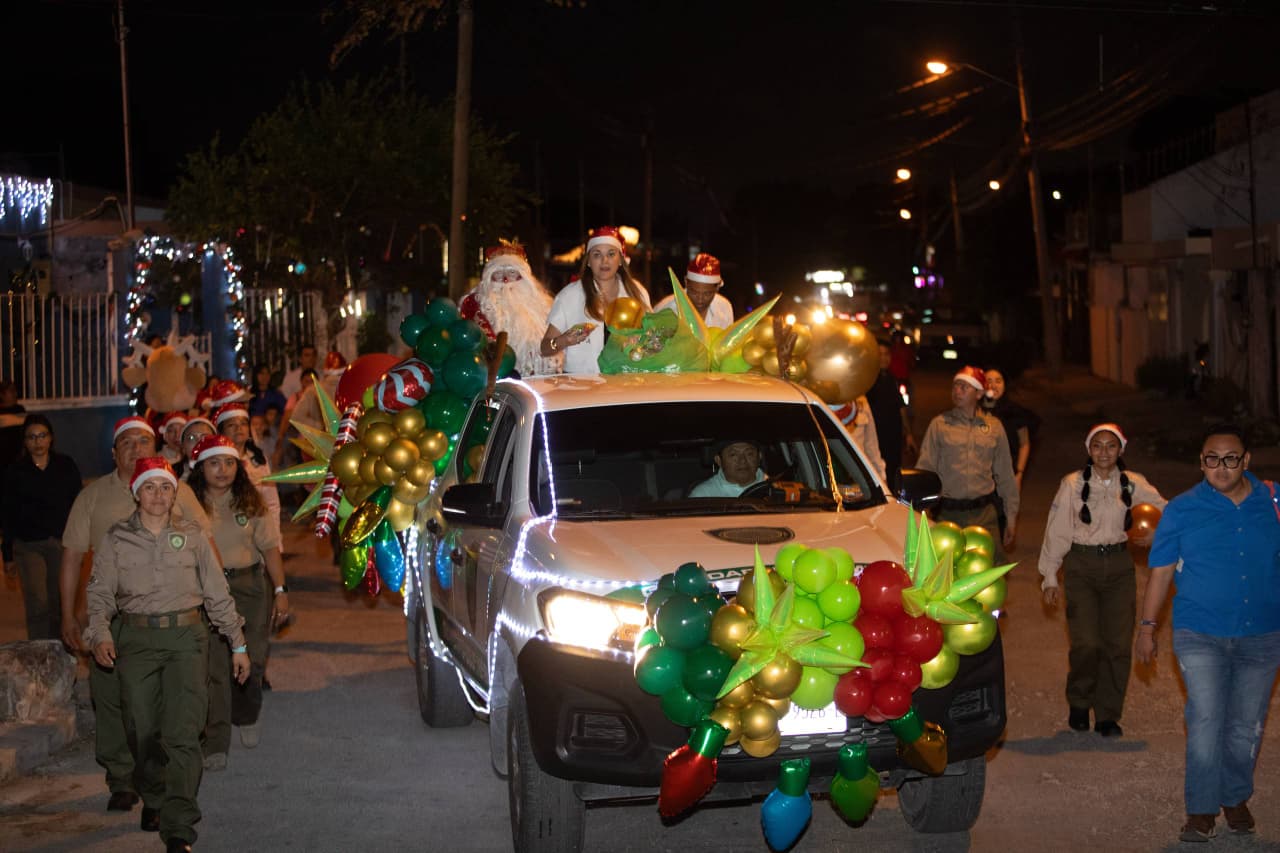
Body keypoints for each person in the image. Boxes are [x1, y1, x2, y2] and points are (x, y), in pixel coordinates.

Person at [84, 456, 247, 852]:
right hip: (135, 641)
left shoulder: (192, 535)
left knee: (184, 732)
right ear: (136, 492)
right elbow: (101, 592)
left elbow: (216, 594)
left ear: (175, 493)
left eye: (166, 487)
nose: (159, 495)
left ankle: (178, 824)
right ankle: (153, 794)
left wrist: (238, 643)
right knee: (142, 730)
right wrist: (100, 633)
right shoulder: (116, 538)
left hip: (187, 640)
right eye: (150, 487)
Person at [58, 415, 214, 813]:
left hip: (167, 615)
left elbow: (205, 548)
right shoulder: (92, 497)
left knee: (159, 704)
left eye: (143, 441)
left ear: (155, 448)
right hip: (109, 616)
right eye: (126, 443)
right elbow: (73, 558)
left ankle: (160, 782)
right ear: (114, 452)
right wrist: (68, 615)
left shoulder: (172, 492)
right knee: (110, 699)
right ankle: (121, 778)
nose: (135, 448)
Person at [1136, 423, 1280, 843]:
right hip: (1200, 632)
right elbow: (1161, 573)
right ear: (1202, 463)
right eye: (1212, 459)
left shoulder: (1272, 502)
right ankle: (1201, 810)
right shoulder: (1181, 510)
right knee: (1205, 719)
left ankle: (1234, 797)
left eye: (1230, 458)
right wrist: (1147, 627)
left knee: (1245, 725)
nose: (1221, 467)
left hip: (1263, 633)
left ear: (1245, 461)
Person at [1038, 424, 1166, 738]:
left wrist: (1155, 534)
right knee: (1086, 644)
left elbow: (1169, 510)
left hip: (1120, 566)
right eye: (1098, 446)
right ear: (1089, 450)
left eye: (1111, 446)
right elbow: (1057, 531)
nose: (1104, 452)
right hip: (1082, 565)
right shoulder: (1071, 484)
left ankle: (1108, 714)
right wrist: (1050, 576)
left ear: (1120, 450)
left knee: (1118, 645)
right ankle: (1080, 702)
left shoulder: (1134, 483)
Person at [187, 435, 288, 770]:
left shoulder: (250, 501)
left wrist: (280, 590)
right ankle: (216, 743)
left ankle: (246, 716)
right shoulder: (188, 504)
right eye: (215, 463)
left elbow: (270, 549)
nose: (223, 470)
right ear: (201, 467)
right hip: (209, 590)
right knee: (215, 666)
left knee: (252, 658)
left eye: (230, 462)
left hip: (250, 587)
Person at [916, 366, 1018, 562]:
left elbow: (1005, 475)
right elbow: (925, 470)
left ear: (979, 393)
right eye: (955, 386)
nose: (957, 391)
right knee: (945, 576)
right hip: (947, 514)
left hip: (985, 515)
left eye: (964, 387)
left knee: (988, 574)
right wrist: (924, 511)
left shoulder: (994, 427)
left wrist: (1011, 517)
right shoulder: (939, 424)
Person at [1, 415, 82, 639]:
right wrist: (7, 554)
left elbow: (78, 503)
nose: (37, 442)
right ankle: (38, 655)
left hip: (60, 543)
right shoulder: (15, 472)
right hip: (28, 545)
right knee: (38, 601)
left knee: (60, 601)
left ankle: (60, 653)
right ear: (24, 442)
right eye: (31, 437)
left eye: (42, 436)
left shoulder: (65, 466)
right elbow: (7, 512)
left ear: (51, 438)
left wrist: (82, 539)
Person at [541, 226, 651, 375]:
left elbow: (653, 336)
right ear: (588, 261)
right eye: (597, 255)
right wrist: (565, 340)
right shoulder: (570, 295)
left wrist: (641, 339)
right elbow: (545, 347)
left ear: (620, 260)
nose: (604, 261)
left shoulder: (637, 292)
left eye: (611, 254)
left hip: (627, 386)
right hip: (582, 387)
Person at [460, 241, 561, 376]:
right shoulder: (474, 305)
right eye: (499, 273)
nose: (506, 279)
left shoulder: (545, 308)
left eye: (512, 272)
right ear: (488, 277)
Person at [215, 403, 282, 547]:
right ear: (221, 431)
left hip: (258, 532)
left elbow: (271, 502)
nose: (239, 428)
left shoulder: (258, 458)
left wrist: (275, 538)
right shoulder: (214, 462)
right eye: (231, 425)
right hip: (227, 535)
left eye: (243, 424)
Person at [864, 339, 918, 493]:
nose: (884, 358)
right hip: (875, 440)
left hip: (893, 439)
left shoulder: (891, 379)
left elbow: (900, 408)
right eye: (880, 354)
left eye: (887, 354)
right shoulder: (868, 381)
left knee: (894, 475)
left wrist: (908, 435)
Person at [983, 367, 1040, 492]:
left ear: (1005, 384)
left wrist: (1019, 473)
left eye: (998, 381)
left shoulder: (1016, 412)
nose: (993, 385)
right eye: (989, 381)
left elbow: (1024, 444)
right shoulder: (973, 411)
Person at [653, 253, 735, 329]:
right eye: (694, 292)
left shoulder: (724, 309)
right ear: (686, 282)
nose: (700, 299)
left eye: (707, 294)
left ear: (717, 288)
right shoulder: (665, 310)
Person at [828, 396, 887, 484]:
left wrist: (882, 480)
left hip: (858, 484)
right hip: (822, 479)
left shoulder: (861, 400)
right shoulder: (810, 397)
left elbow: (872, 449)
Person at [689, 440, 767, 498]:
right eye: (733, 455)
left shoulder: (774, 487)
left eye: (749, 454)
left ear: (759, 457)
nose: (742, 460)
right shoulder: (704, 494)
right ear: (719, 461)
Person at [176, 417, 216, 481]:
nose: (199, 442)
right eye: (191, 438)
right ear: (183, 447)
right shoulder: (172, 474)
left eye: (205, 437)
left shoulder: (225, 472)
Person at [0, 379, 27, 469]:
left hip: (18, 457)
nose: (15, 394)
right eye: (11, 391)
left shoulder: (19, 409)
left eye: (15, 391)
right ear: (2, 395)